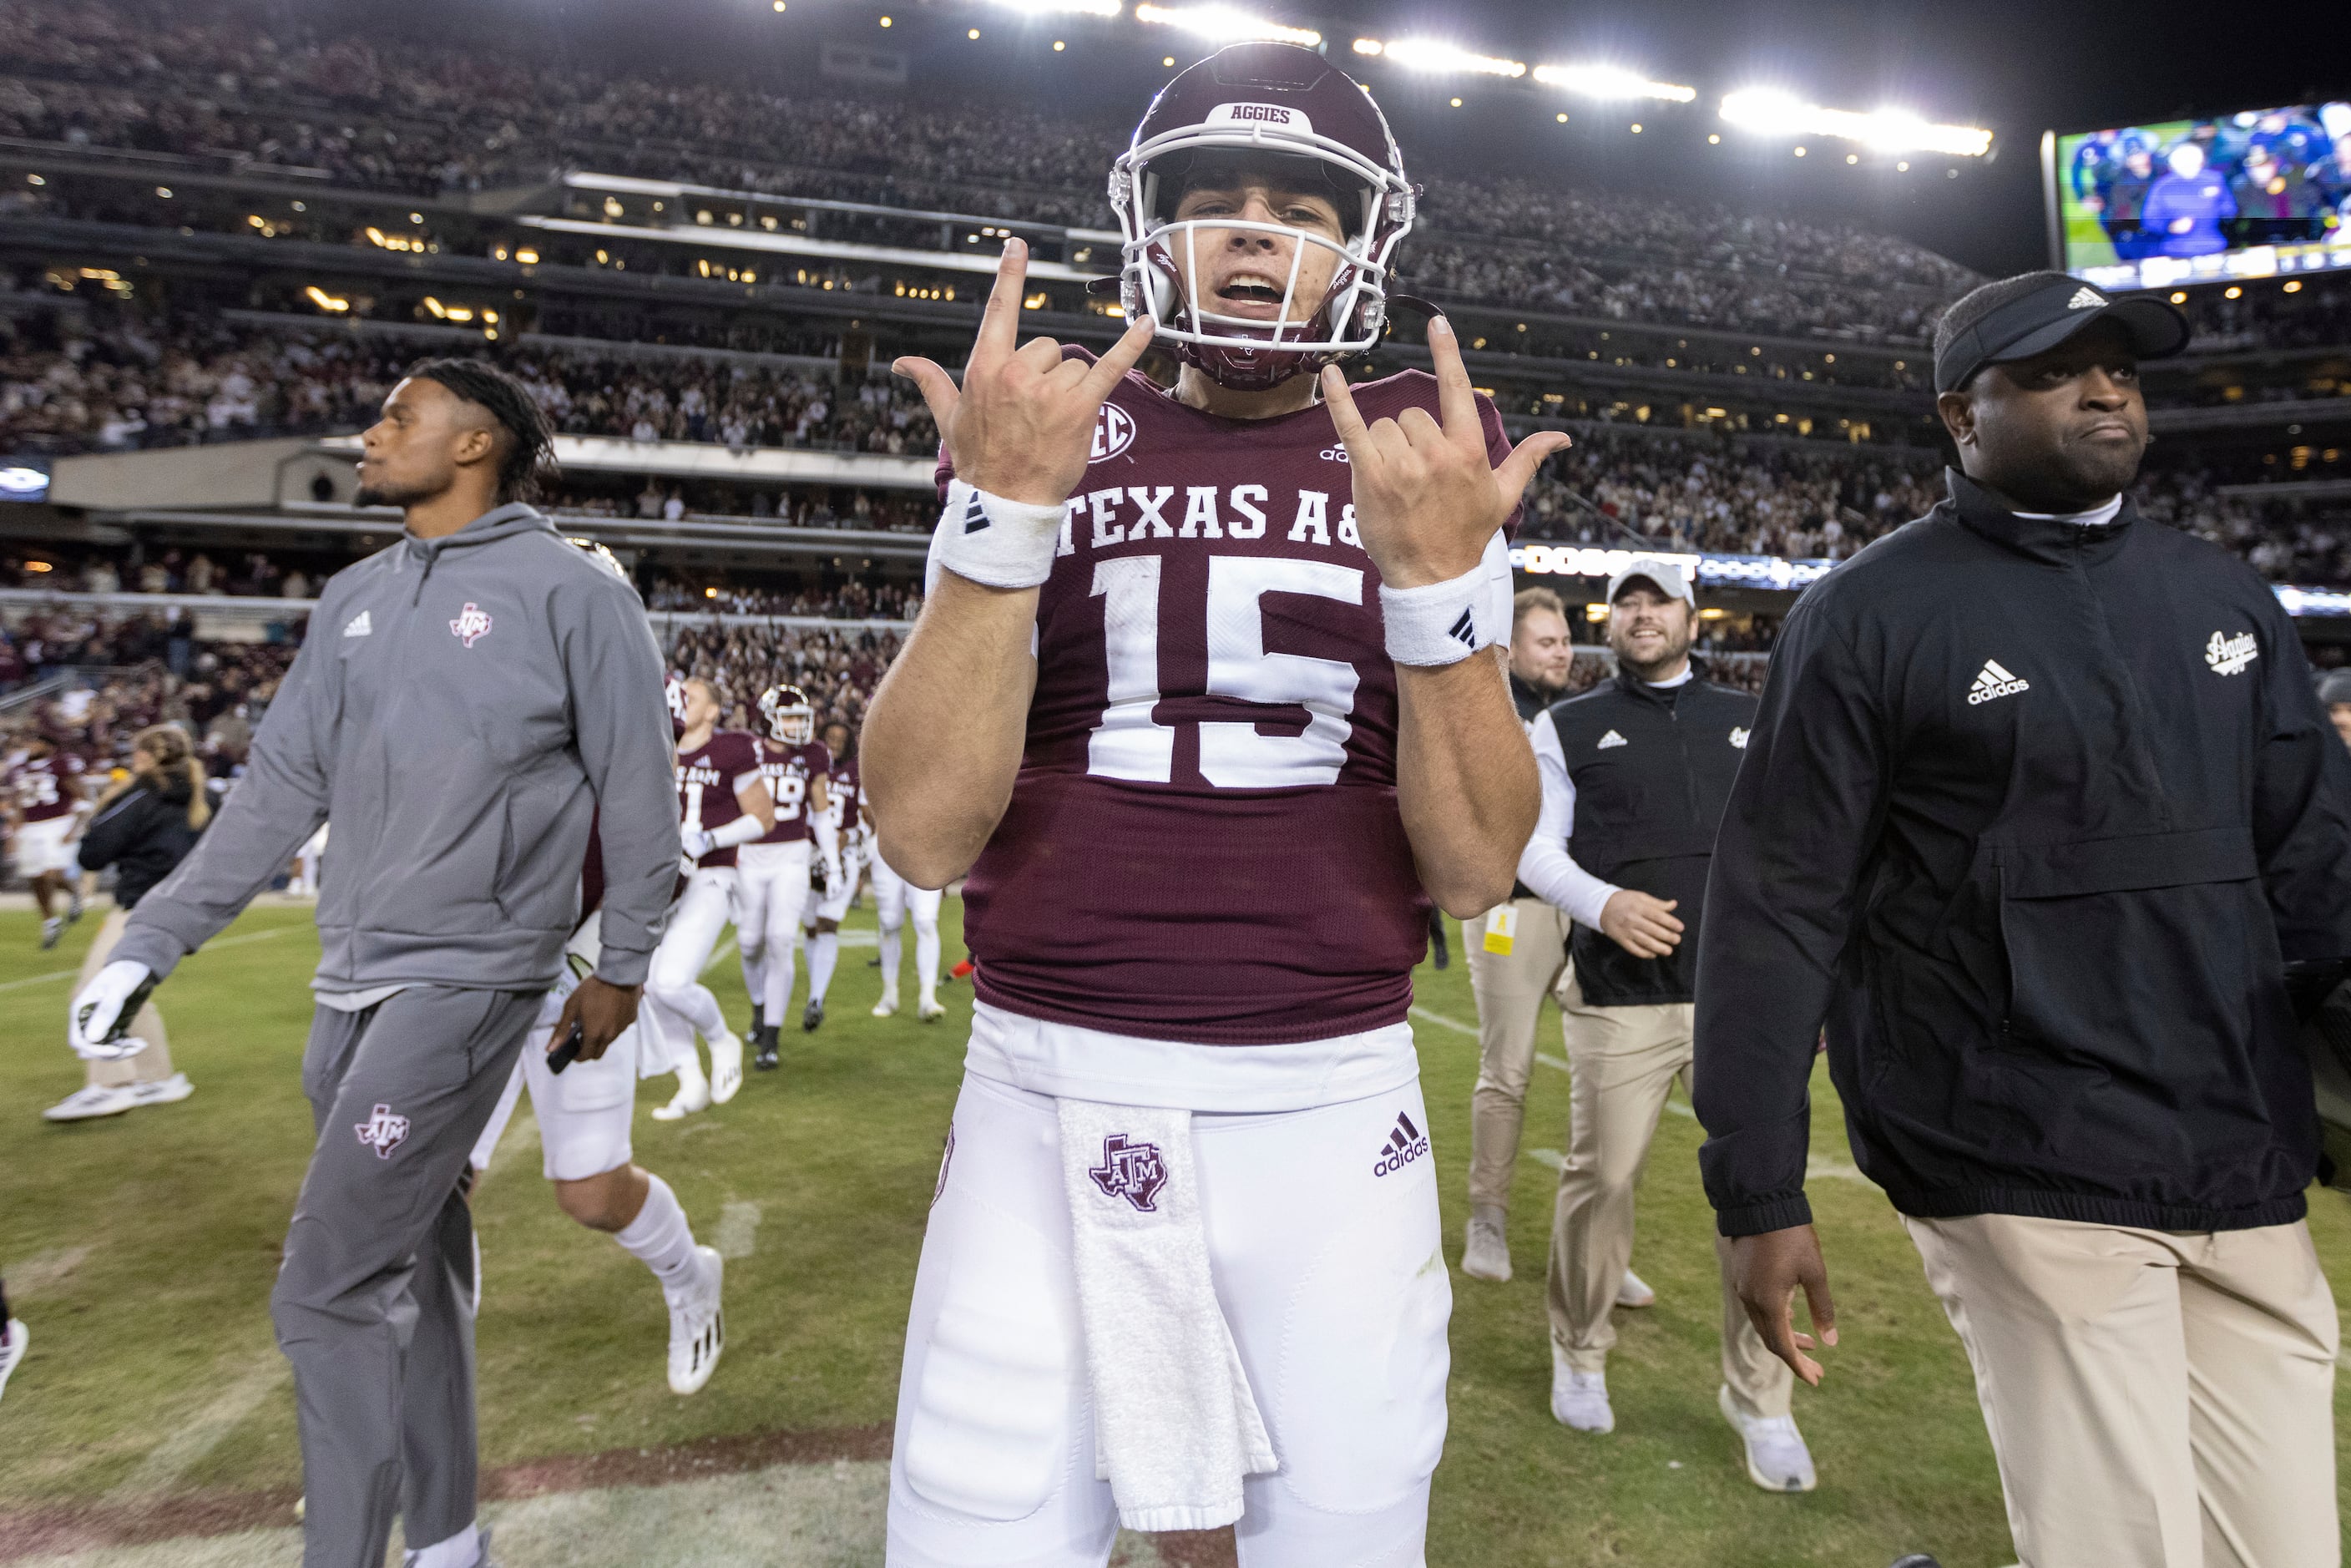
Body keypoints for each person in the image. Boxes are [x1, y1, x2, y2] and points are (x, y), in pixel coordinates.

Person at [866, 42, 1559, 1563]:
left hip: (1325, 1104)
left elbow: (1474, 867)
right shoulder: (1045, 422)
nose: (1255, 233)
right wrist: (1000, 513)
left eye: (1301, 205)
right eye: (1217, 200)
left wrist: (1440, 591)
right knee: (970, 1530)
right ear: (1148, 228)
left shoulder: (1422, 451)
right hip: (1043, 1083)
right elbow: (918, 831)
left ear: (1358, 249)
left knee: (1345, 1536)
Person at [1696, 272, 2347, 1568]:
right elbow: (1778, 906)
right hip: (2020, 1141)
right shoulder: (1868, 612)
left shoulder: (2225, 596)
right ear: (1960, 413)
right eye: (2055, 370)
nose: (2104, 387)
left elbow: (2316, 872)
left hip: (2237, 1150)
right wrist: (1757, 1189)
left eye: (2120, 367)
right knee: (2125, 1550)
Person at [69, 358, 680, 1568]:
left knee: (324, 1292)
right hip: (347, 981)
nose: (368, 432)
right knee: (418, 1273)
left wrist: (623, 964)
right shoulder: (351, 596)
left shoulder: (574, 592)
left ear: (476, 444)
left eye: (398, 414)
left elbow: (637, 787)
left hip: (468, 982)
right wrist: (150, 939)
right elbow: (276, 794)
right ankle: (449, 1541)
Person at [1512, 559, 1802, 1487]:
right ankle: (1578, 1349)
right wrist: (1603, 906)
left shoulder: (1754, 719)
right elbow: (1533, 848)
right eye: (1624, 603)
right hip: (1616, 997)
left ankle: (1759, 1399)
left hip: (1739, 1003)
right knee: (1599, 1180)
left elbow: (1795, 850)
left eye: (1656, 601)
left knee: (1760, 1194)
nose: (1639, 615)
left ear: (1689, 615)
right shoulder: (1562, 724)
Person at [1461, 584, 1590, 1280]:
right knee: (1507, 1067)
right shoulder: (1491, 712)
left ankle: (1592, 1238)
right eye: (1548, 641)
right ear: (1511, 649)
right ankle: (1488, 1217)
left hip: (1581, 910)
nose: (1563, 651)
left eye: (1566, 640)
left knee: (1600, 1072)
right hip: (1512, 909)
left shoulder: (1577, 718)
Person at [42, 723, 207, 1123]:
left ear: (144, 757)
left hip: (142, 908)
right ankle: (157, 1077)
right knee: (133, 993)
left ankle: (111, 1086)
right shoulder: (207, 797)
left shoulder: (142, 794)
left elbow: (94, 854)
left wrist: (109, 805)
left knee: (92, 992)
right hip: (184, 908)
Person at [645, 676, 771, 1120]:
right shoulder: (659, 745)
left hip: (711, 875)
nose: (680, 700)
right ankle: (690, 1082)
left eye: (692, 696)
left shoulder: (731, 748)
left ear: (714, 709)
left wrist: (710, 837)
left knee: (671, 982)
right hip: (661, 878)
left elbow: (763, 818)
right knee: (650, 986)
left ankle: (722, 1039)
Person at [735, 683, 837, 1069]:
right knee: (748, 942)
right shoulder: (747, 750)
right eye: (789, 717)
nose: (797, 725)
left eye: (800, 717)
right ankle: (759, 1008)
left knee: (780, 939)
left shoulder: (813, 754)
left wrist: (834, 862)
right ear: (768, 719)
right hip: (750, 852)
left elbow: (822, 812)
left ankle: (771, 1038)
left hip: (792, 854)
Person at [865, 720, 945, 1021]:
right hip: (886, 846)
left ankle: (927, 997)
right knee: (889, 923)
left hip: (928, 847)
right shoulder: (880, 757)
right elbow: (866, 806)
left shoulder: (941, 764)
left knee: (925, 921)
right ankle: (889, 993)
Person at [796, 717, 862, 1033]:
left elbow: (867, 818)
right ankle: (815, 988)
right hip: (806, 852)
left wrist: (849, 837)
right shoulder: (809, 764)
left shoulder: (857, 772)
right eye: (830, 738)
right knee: (809, 927)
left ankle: (816, 999)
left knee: (827, 923)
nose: (835, 744)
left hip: (842, 855)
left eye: (840, 739)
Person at [7, 731, 89, 948]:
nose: (31, 746)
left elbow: (81, 795)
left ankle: (75, 892)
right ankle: (49, 921)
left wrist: (75, 827)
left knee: (52, 873)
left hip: (58, 822)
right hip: (30, 827)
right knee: (36, 877)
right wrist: (14, 826)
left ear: (48, 746)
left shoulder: (60, 765)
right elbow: (17, 801)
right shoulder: (18, 770)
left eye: (36, 742)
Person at [2142, 142, 2237, 259]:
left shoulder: (2214, 179)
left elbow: (2230, 210)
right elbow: (2149, 221)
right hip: (2176, 251)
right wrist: (2171, 226)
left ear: (2201, 162)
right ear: (2173, 165)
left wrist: (2216, 208)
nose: (2189, 167)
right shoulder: (2161, 186)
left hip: (2213, 247)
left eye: (2193, 163)